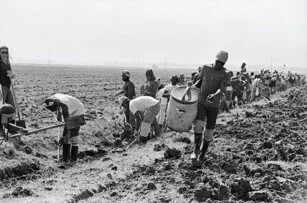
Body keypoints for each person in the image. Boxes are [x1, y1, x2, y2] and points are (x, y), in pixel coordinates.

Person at [191, 51, 230, 166]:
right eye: (218, 62)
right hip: (202, 101)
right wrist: (193, 86)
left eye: (221, 63)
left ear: (224, 63)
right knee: (198, 125)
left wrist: (214, 95)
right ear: (215, 60)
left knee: (209, 131)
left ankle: (203, 154)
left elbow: (222, 89)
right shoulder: (206, 68)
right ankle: (195, 150)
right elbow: (200, 80)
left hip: (214, 105)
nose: (219, 65)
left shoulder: (226, 73)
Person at [44, 93, 86, 166]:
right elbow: (59, 109)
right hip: (71, 107)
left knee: (72, 137)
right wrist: (59, 114)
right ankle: (65, 159)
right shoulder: (53, 98)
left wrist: (63, 137)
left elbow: (68, 124)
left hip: (77, 111)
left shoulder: (65, 107)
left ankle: (73, 161)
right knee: (66, 138)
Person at [0, 46, 16, 124]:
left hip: (8, 87)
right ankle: (2, 125)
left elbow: (10, 73)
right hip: (1, 87)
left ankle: (11, 124)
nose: (4, 54)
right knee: (2, 107)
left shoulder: (7, 62)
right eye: (2, 52)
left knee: (12, 105)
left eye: (6, 52)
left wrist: (12, 75)